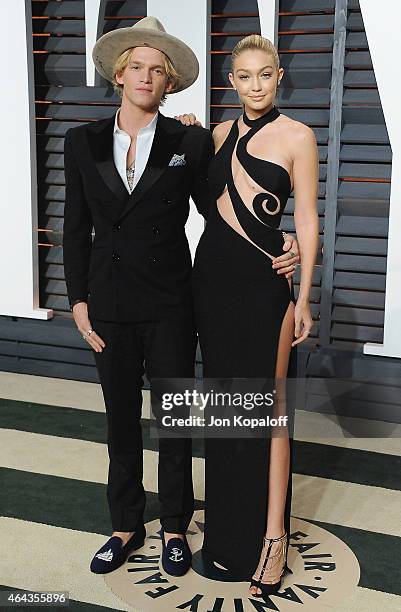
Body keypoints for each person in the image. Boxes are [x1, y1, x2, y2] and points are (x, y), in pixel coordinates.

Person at [63, 15, 301, 577]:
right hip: (108, 306)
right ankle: (124, 525)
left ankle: (173, 527)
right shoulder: (82, 141)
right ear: (120, 75)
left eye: (158, 70)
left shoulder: (188, 140)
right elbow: (75, 227)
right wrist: (77, 302)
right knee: (119, 420)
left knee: (174, 420)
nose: (147, 77)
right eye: (137, 67)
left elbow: (224, 209)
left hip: (172, 302)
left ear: (169, 83)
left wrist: (280, 238)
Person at [190, 34, 318, 600]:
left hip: (267, 293)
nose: (255, 85)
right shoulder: (215, 135)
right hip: (211, 286)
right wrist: (188, 134)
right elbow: (201, 201)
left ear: (279, 75)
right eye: (244, 76)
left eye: (264, 74)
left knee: (269, 413)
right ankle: (224, 532)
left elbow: (308, 220)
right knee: (224, 410)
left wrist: (306, 294)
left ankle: (273, 539)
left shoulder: (298, 136)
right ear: (232, 82)